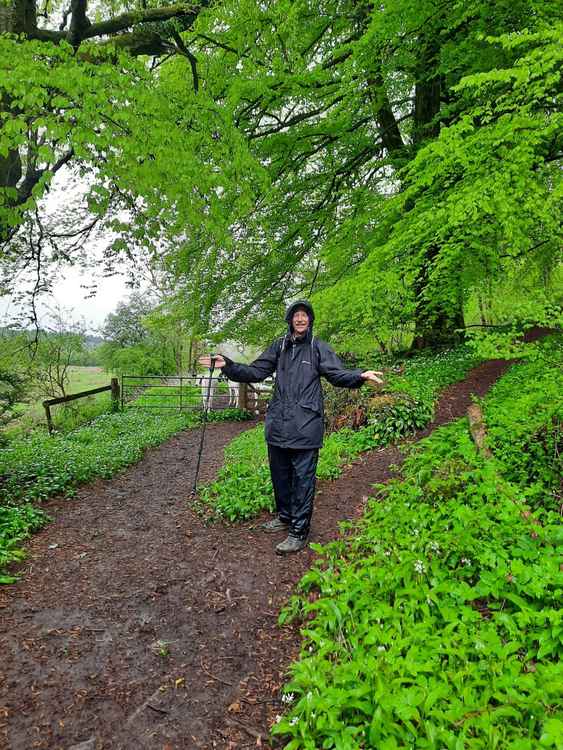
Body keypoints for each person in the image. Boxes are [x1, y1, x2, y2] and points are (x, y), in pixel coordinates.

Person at [199, 300, 383, 555]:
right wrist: (228, 366)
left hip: (306, 427)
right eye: (296, 315)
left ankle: (298, 532)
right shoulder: (280, 346)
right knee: (280, 477)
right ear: (290, 320)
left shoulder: (318, 348)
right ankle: (285, 517)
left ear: (310, 320)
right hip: (278, 426)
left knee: (303, 481)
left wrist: (360, 375)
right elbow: (255, 372)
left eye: (304, 315)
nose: (300, 319)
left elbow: (337, 374)